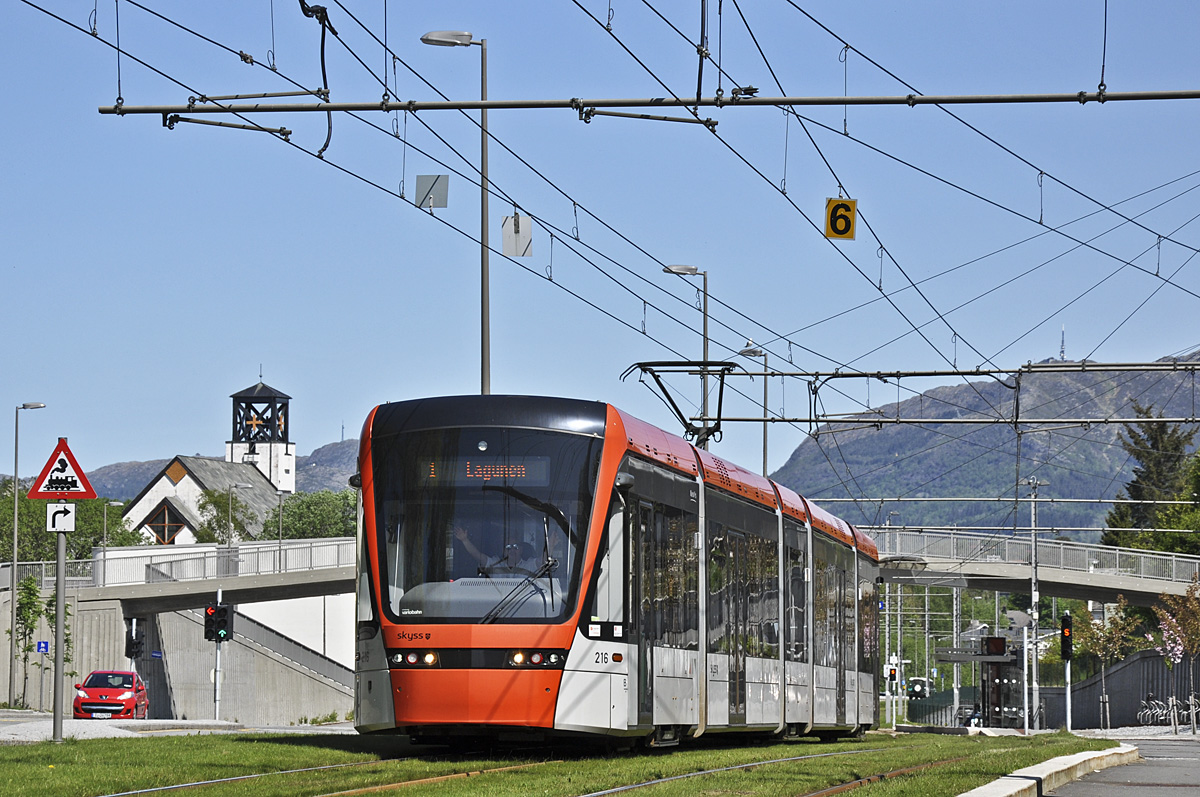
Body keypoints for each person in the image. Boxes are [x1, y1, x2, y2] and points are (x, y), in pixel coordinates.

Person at [454, 527, 539, 576]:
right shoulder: (494, 564)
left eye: (515, 547)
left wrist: (552, 543)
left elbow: (544, 560)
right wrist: (465, 540)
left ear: (521, 550)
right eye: (508, 547)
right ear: (503, 550)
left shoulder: (530, 565)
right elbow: (477, 556)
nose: (512, 550)